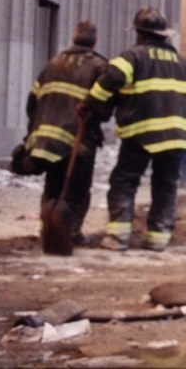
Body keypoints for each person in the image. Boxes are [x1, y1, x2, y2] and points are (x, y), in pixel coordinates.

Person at [81, 7, 186, 251]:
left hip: (141, 132)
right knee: (165, 184)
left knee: (124, 180)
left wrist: (90, 107)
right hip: (177, 135)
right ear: (165, 35)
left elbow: (108, 82)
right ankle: (158, 237)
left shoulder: (132, 58)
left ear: (140, 34)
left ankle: (119, 237)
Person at [23, 20, 108, 249]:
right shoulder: (99, 66)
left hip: (48, 140)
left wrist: (36, 128)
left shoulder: (53, 63)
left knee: (53, 185)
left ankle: (49, 228)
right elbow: (103, 106)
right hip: (78, 140)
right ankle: (71, 231)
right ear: (94, 41)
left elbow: (32, 101)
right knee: (79, 188)